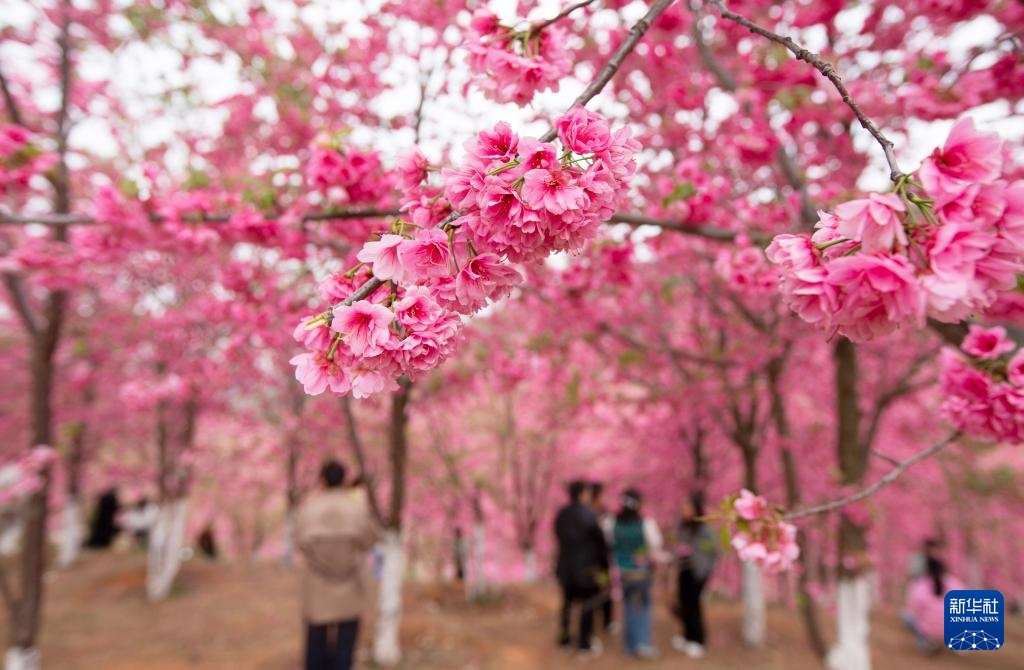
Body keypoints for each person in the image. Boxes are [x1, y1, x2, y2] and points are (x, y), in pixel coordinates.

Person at [296, 459, 380, 670]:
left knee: (315, 640)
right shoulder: (357, 510)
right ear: (344, 480)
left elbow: (299, 542)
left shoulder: (309, 510)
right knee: (346, 641)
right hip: (350, 581)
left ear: (321, 480)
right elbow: (370, 539)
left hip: (317, 582)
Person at [555, 479, 609, 657]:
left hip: (565, 568)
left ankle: (564, 639)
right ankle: (584, 644)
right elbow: (601, 544)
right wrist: (603, 568)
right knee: (587, 606)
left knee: (567, 605)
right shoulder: (590, 515)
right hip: (586, 570)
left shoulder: (561, 514)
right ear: (581, 494)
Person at [611, 488, 663, 660]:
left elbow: (610, 544)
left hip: (622, 572)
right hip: (641, 573)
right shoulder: (646, 523)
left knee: (627, 607)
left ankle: (629, 645)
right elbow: (655, 545)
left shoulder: (612, 523)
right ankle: (642, 644)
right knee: (643, 607)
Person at [671, 492, 717, 658]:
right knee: (684, 604)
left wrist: (702, 565)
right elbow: (677, 544)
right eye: (683, 506)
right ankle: (687, 636)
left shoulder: (704, 528)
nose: (684, 510)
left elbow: (714, 551)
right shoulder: (682, 526)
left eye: (688, 506)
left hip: (698, 573)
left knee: (694, 605)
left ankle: (698, 640)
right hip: (684, 570)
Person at [904, 551, 964, 653]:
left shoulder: (921, 584)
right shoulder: (953, 582)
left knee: (906, 616)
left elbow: (914, 609)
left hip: (928, 629)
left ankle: (924, 643)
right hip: (950, 628)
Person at [588, 481, 617, 636]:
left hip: (601, 559)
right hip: (592, 560)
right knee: (593, 590)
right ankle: (594, 622)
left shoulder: (604, 512)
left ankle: (607, 621)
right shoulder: (587, 513)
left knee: (605, 588)